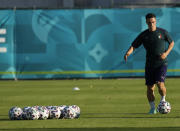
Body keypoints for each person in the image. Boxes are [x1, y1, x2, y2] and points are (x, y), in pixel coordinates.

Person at [124, 13, 174, 114]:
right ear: (146, 22)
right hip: (150, 65)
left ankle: (163, 101)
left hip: (161, 63)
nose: (151, 24)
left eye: (153, 22)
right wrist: (128, 53)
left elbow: (172, 43)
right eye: (149, 22)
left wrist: (166, 53)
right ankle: (152, 109)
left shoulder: (163, 32)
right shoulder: (144, 35)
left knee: (160, 84)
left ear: (156, 21)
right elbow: (134, 45)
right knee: (150, 88)